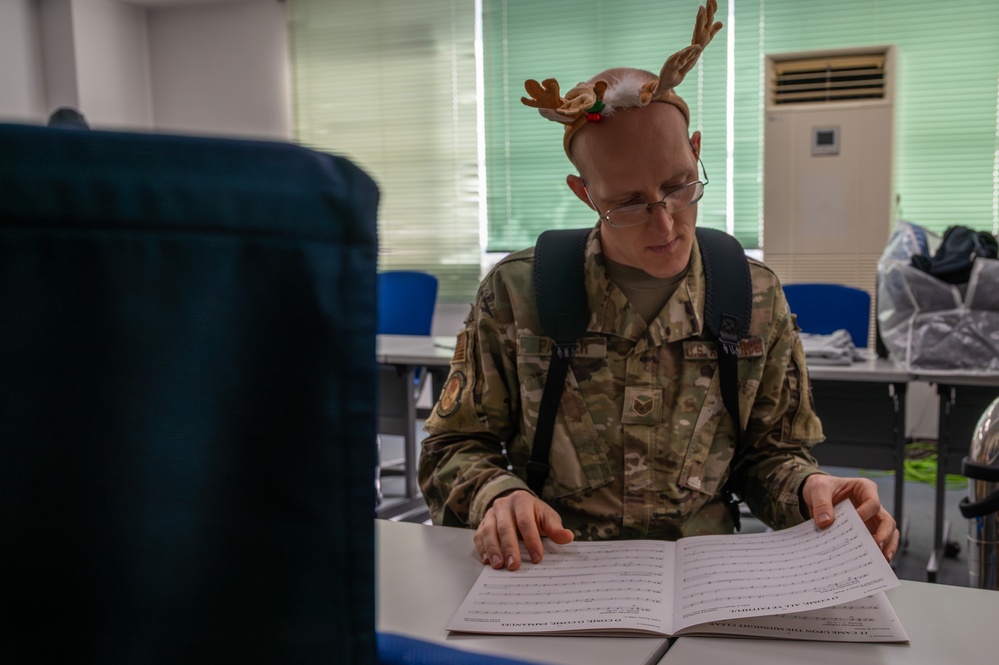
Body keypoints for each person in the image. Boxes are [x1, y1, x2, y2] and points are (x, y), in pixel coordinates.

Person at [418, 0, 899, 572]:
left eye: (680, 186)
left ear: (695, 150)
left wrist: (810, 492)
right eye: (627, 204)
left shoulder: (753, 296)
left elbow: (768, 458)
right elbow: (451, 448)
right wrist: (497, 495)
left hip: (706, 582)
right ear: (585, 194)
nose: (666, 224)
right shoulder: (520, 294)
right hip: (557, 575)